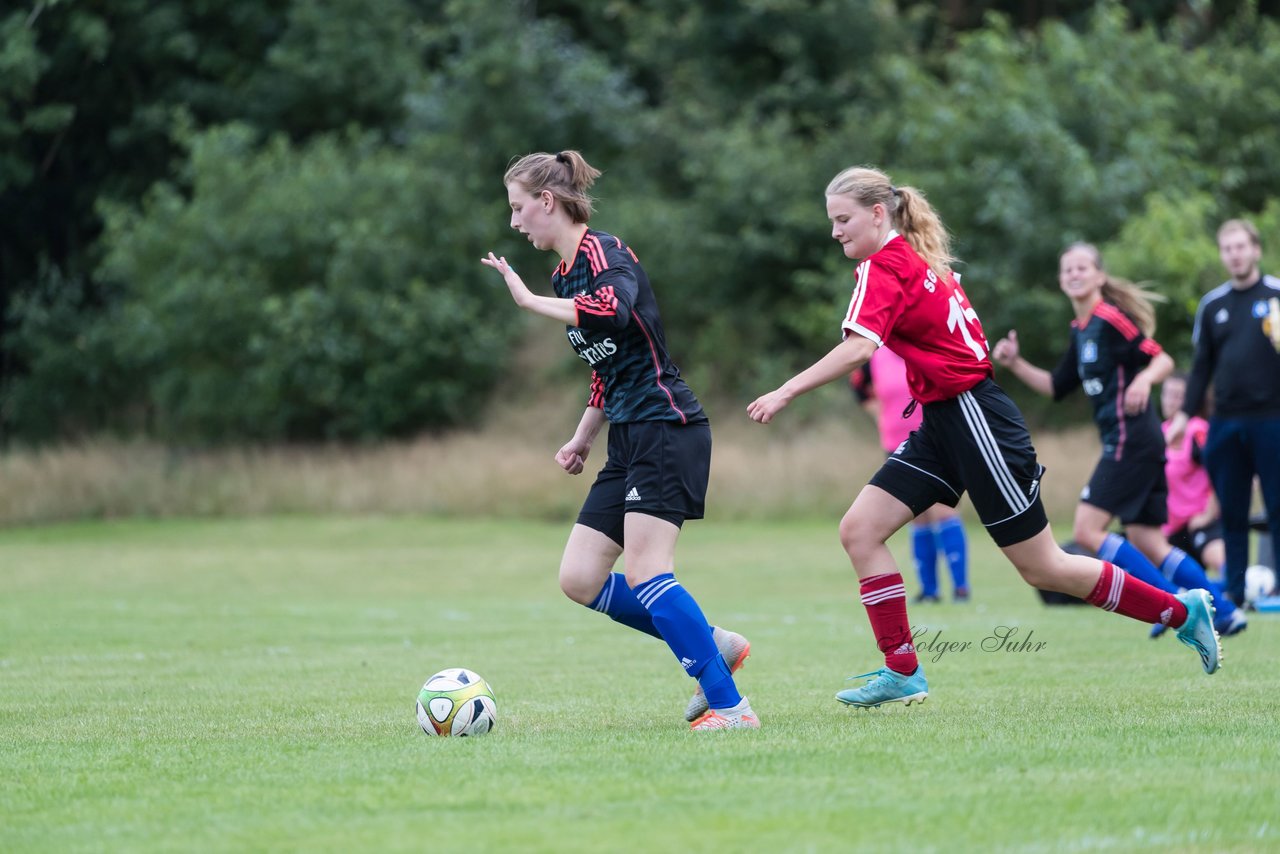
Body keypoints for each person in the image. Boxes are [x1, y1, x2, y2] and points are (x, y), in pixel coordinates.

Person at [748, 166, 1222, 709]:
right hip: (944, 422)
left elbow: (860, 349)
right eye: (832, 221)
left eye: (843, 219)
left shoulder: (886, 266)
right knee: (859, 531)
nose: (834, 231)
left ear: (878, 214)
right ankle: (903, 670)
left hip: (976, 421)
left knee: (1043, 567)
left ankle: (1181, 612)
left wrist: (785, 391)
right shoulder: (915, 260)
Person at [481, 150, 757, 730]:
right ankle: (713, 643)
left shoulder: (604, 252)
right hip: (628, 436)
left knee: (648, 572)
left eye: (518, 207)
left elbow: (612, 311)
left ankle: (731, 707)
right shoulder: (563, 274)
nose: (514, 222)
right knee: (579, 578)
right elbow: (607, 366)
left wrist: (530, 303)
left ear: (547, 202)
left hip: (667, 426)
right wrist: (582, 438)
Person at [990, 244, 1244, 637]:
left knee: (1088, 530)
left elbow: (1161, 359)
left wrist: (1144, 379)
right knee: (1148, 540)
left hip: (1131, 440)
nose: (1074, 274)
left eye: (1082, 267)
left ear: (1099, 276)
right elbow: (1057, 386)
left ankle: (1175, 607)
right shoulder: (1081, 330)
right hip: (1131, 442)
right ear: (1061, 280)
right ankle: (1225, 611)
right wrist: (1015, 363)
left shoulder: (1111, 318)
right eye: (1067, 269)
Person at [1165, 219, 1280, 608]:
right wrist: (1181, 417)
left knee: (1277, 504)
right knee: (1231, 510)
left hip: (1271, 419)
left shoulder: (1277, 296)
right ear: (1222, 254)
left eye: (1241, 246)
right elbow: (1200, 369)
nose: (1235, 254)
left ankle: (1278, 588)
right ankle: (1234, 590)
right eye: (1228, 248)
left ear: (1256, 250)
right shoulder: (1213, 305)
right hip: (1225, 423)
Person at [851, 347, 971, 603]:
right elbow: (860, 390)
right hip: (895, 444)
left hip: (935, 442)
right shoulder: (874, 354)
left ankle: (961, 588)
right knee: (916, 518)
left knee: (943, 512)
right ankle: (930, 591)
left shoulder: (924, 346)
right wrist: (882, 416)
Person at [1161, 371, 1226, 578]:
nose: (1171, 401)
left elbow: (1222, 470)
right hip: (1170, 529)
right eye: (1167, 394)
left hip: (1200, 521)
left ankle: (1242, 587)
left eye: (1178, 396)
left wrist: (1208, 514)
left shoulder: (1197, 430)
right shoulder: (1160, 432)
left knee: (1217, 558)